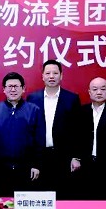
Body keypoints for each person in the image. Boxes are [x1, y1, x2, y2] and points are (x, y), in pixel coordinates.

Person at [26, 60, 82, 196]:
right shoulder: (32, 98)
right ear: (42, 76)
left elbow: (77, 130)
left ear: (61, 75)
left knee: (62, 196)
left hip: (63, 156)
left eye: (55, 73)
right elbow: (29, 130)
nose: (51, 76)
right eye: (48, 73)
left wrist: (76, 157)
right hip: (39, 155)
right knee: (40, 195)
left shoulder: (72, 99)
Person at [0, 72, 43, 197]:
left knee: (24, 205)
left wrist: (36, 165)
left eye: (16, 86)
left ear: (23, 89)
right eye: (9, 86)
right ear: (4, 89)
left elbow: (39, 140)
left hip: (26, 169)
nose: (13, 90)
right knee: (2, 205)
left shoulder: (34, 110)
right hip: (1, 169)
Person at [74, 77, 106, 201]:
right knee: (86, 203)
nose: (99, 92)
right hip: (85, 166)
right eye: (95, 89)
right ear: (89, 92)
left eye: (103, 89)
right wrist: (75, 158)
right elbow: (74, 138)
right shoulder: (81, 112)